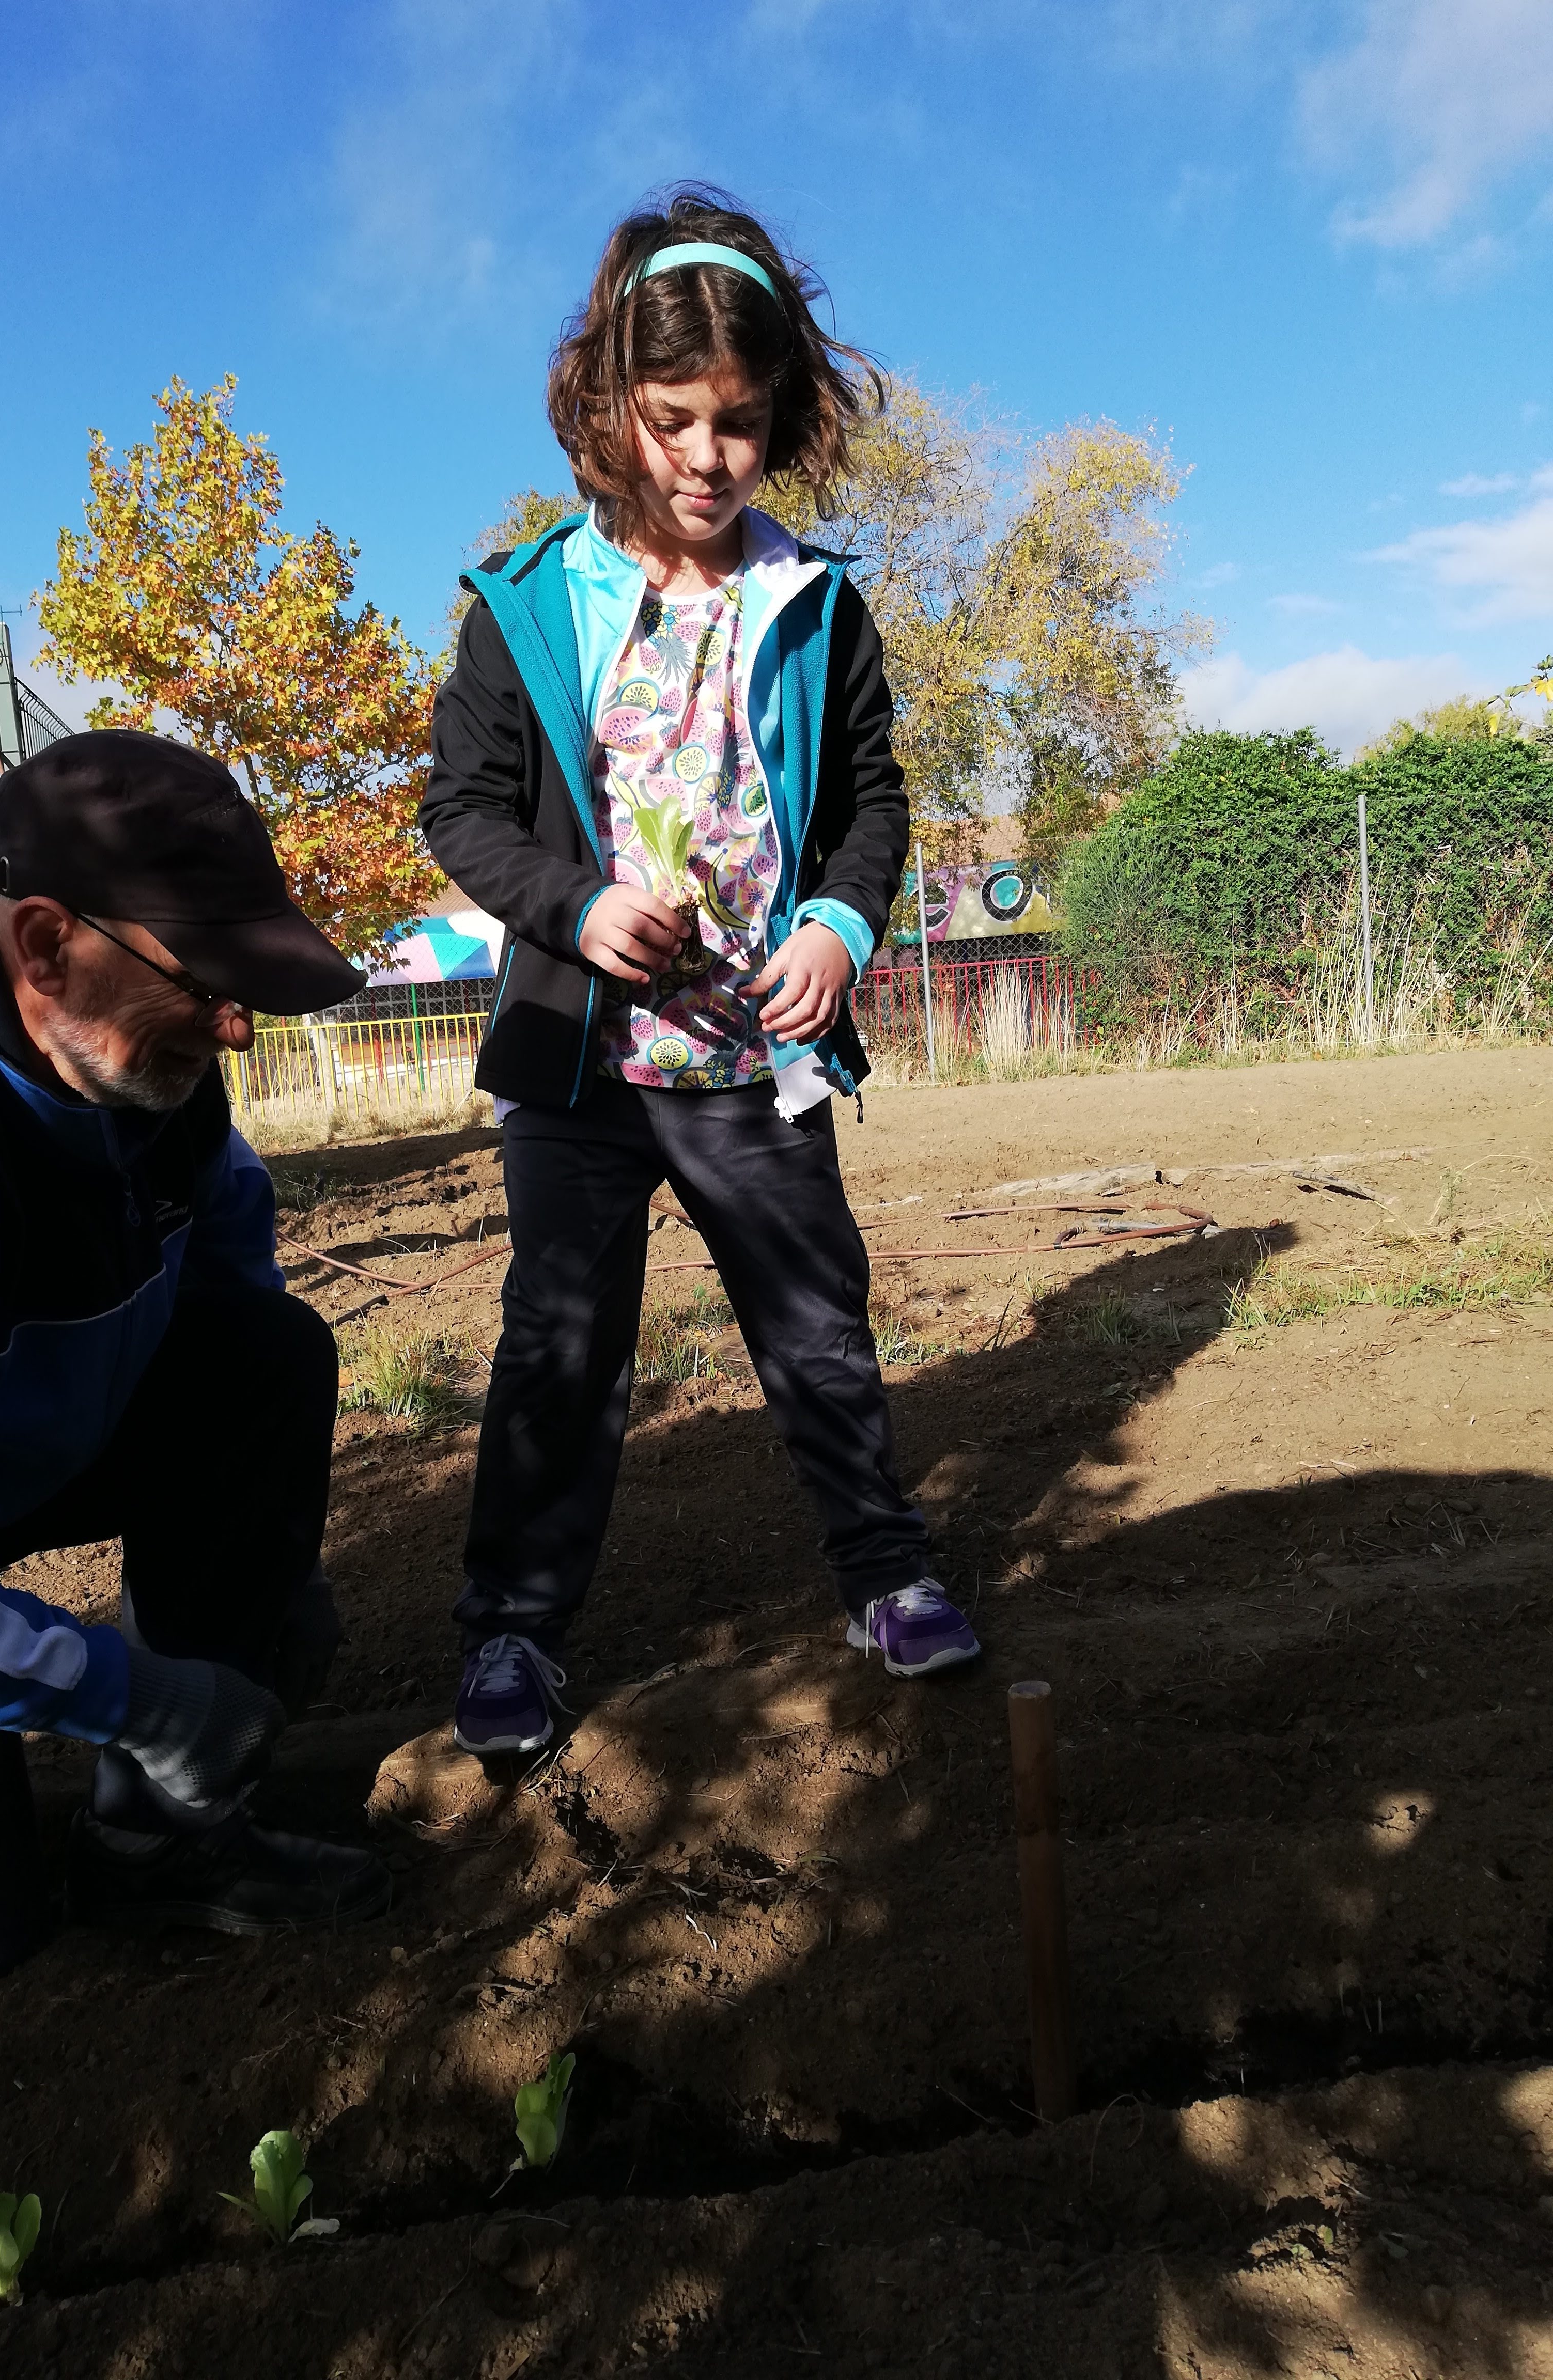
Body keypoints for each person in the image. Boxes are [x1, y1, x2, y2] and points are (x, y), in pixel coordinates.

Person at [420, 187, 983, 1759]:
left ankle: (884, 1572)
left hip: (754, 1060)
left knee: (817, 1326)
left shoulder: (819, 605)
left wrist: (841, 927)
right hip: (583, 1068)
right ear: (610, 405)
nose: (704, 456)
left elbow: (871, 802)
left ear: (782, 415)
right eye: (671, 419)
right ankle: (515, 1633)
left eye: (738, 422)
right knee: (559, 1348)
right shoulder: (529, 603)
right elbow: (460, 810)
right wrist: (574, 906)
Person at [0, 729, 392, 2010]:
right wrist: (140, 1700)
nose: (238, 1029)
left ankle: (156, 1846)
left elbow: (235, 1313)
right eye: (205, 983)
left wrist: (271, 1565)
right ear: (47, 945)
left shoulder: (140, 1073)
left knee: (268, 1357)